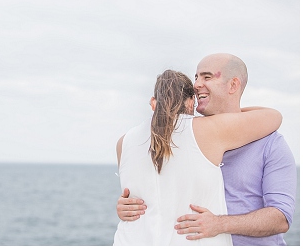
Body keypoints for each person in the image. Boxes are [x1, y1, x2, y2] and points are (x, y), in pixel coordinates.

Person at [117, 54, 297, 245]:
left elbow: (281, 218)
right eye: (195, 77)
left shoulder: (271, 143)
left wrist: (220, 224)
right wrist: (127, 204)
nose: (196, 85)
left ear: (233, 85)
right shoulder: (185, 137)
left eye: (207, 77)